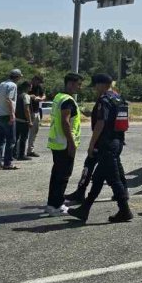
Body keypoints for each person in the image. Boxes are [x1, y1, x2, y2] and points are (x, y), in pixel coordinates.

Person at [68, 74, 132, 223]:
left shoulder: (104, 100)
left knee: (114, 179)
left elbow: (100, 123)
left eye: (96, 85)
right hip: (117, 141)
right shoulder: (119, 98)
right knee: (98, 178)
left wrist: (92, 145)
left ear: (102, 84)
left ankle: (125, 210)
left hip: (106, 143)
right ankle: (84, 209)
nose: (95, 88)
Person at [44, 73, 82, 217]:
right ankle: (57, 205)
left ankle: (51, 204)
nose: (80, 87)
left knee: (56, 175)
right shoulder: (68, 101)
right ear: (71, 84)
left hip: (57, 143)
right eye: (78, 84)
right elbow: (65, 122)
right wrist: (71, 144)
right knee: (63, 176)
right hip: (65, 144)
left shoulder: (58, 97)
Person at [0, 69, 22, 170]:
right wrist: (12, 115)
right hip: (7, 116)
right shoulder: (13, 85)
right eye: (20, 77)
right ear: (17, 77)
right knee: (11, 141)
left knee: (1, 141)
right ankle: (8, 163)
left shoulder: (2, 84)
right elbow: (9, 100)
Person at [26, 75, 46, 158]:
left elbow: (44, 95)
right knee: (24, 133)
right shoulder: (27, 85)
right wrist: (32, 97)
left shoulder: (39, 87)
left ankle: (30, 150)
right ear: (34, 79)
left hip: (36, 111)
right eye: (38, 81)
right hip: (28, 111)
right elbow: (21, 95)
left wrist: (41, 98)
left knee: (34, 132)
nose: (39, 83)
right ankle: (18, 151)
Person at [14, 80, 32, 160]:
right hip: (24, 121)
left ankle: (13, 154)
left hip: (16, 120)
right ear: (28, 87)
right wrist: (29, 121)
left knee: (15, 138)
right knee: (23, 139)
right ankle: (21, 155)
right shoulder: (26, 96)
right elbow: (26, 109)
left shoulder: (17, 95)